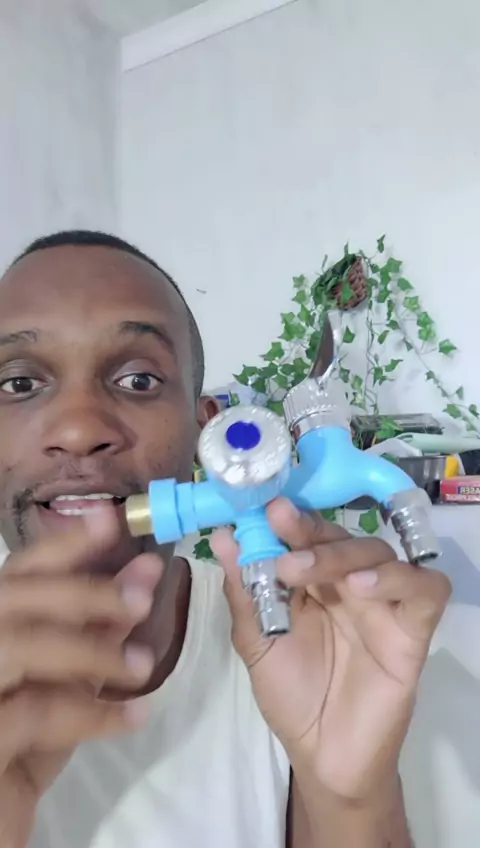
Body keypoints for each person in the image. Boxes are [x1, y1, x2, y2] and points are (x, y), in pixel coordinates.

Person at [0, 230, 450, 848]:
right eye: (19, 384)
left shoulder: (301, 641)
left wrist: (352, 800)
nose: (79, 430)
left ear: (205, 435)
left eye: (138, 380)